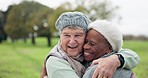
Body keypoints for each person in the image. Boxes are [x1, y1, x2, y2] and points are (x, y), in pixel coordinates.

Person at [40, 12, 140, 78]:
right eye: (66, 35)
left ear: (86, 36)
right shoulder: (55, 60)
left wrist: (116, 59)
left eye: (78, 35)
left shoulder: (89, 50)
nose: (72, 41)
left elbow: (133, 56)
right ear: (60, 36)